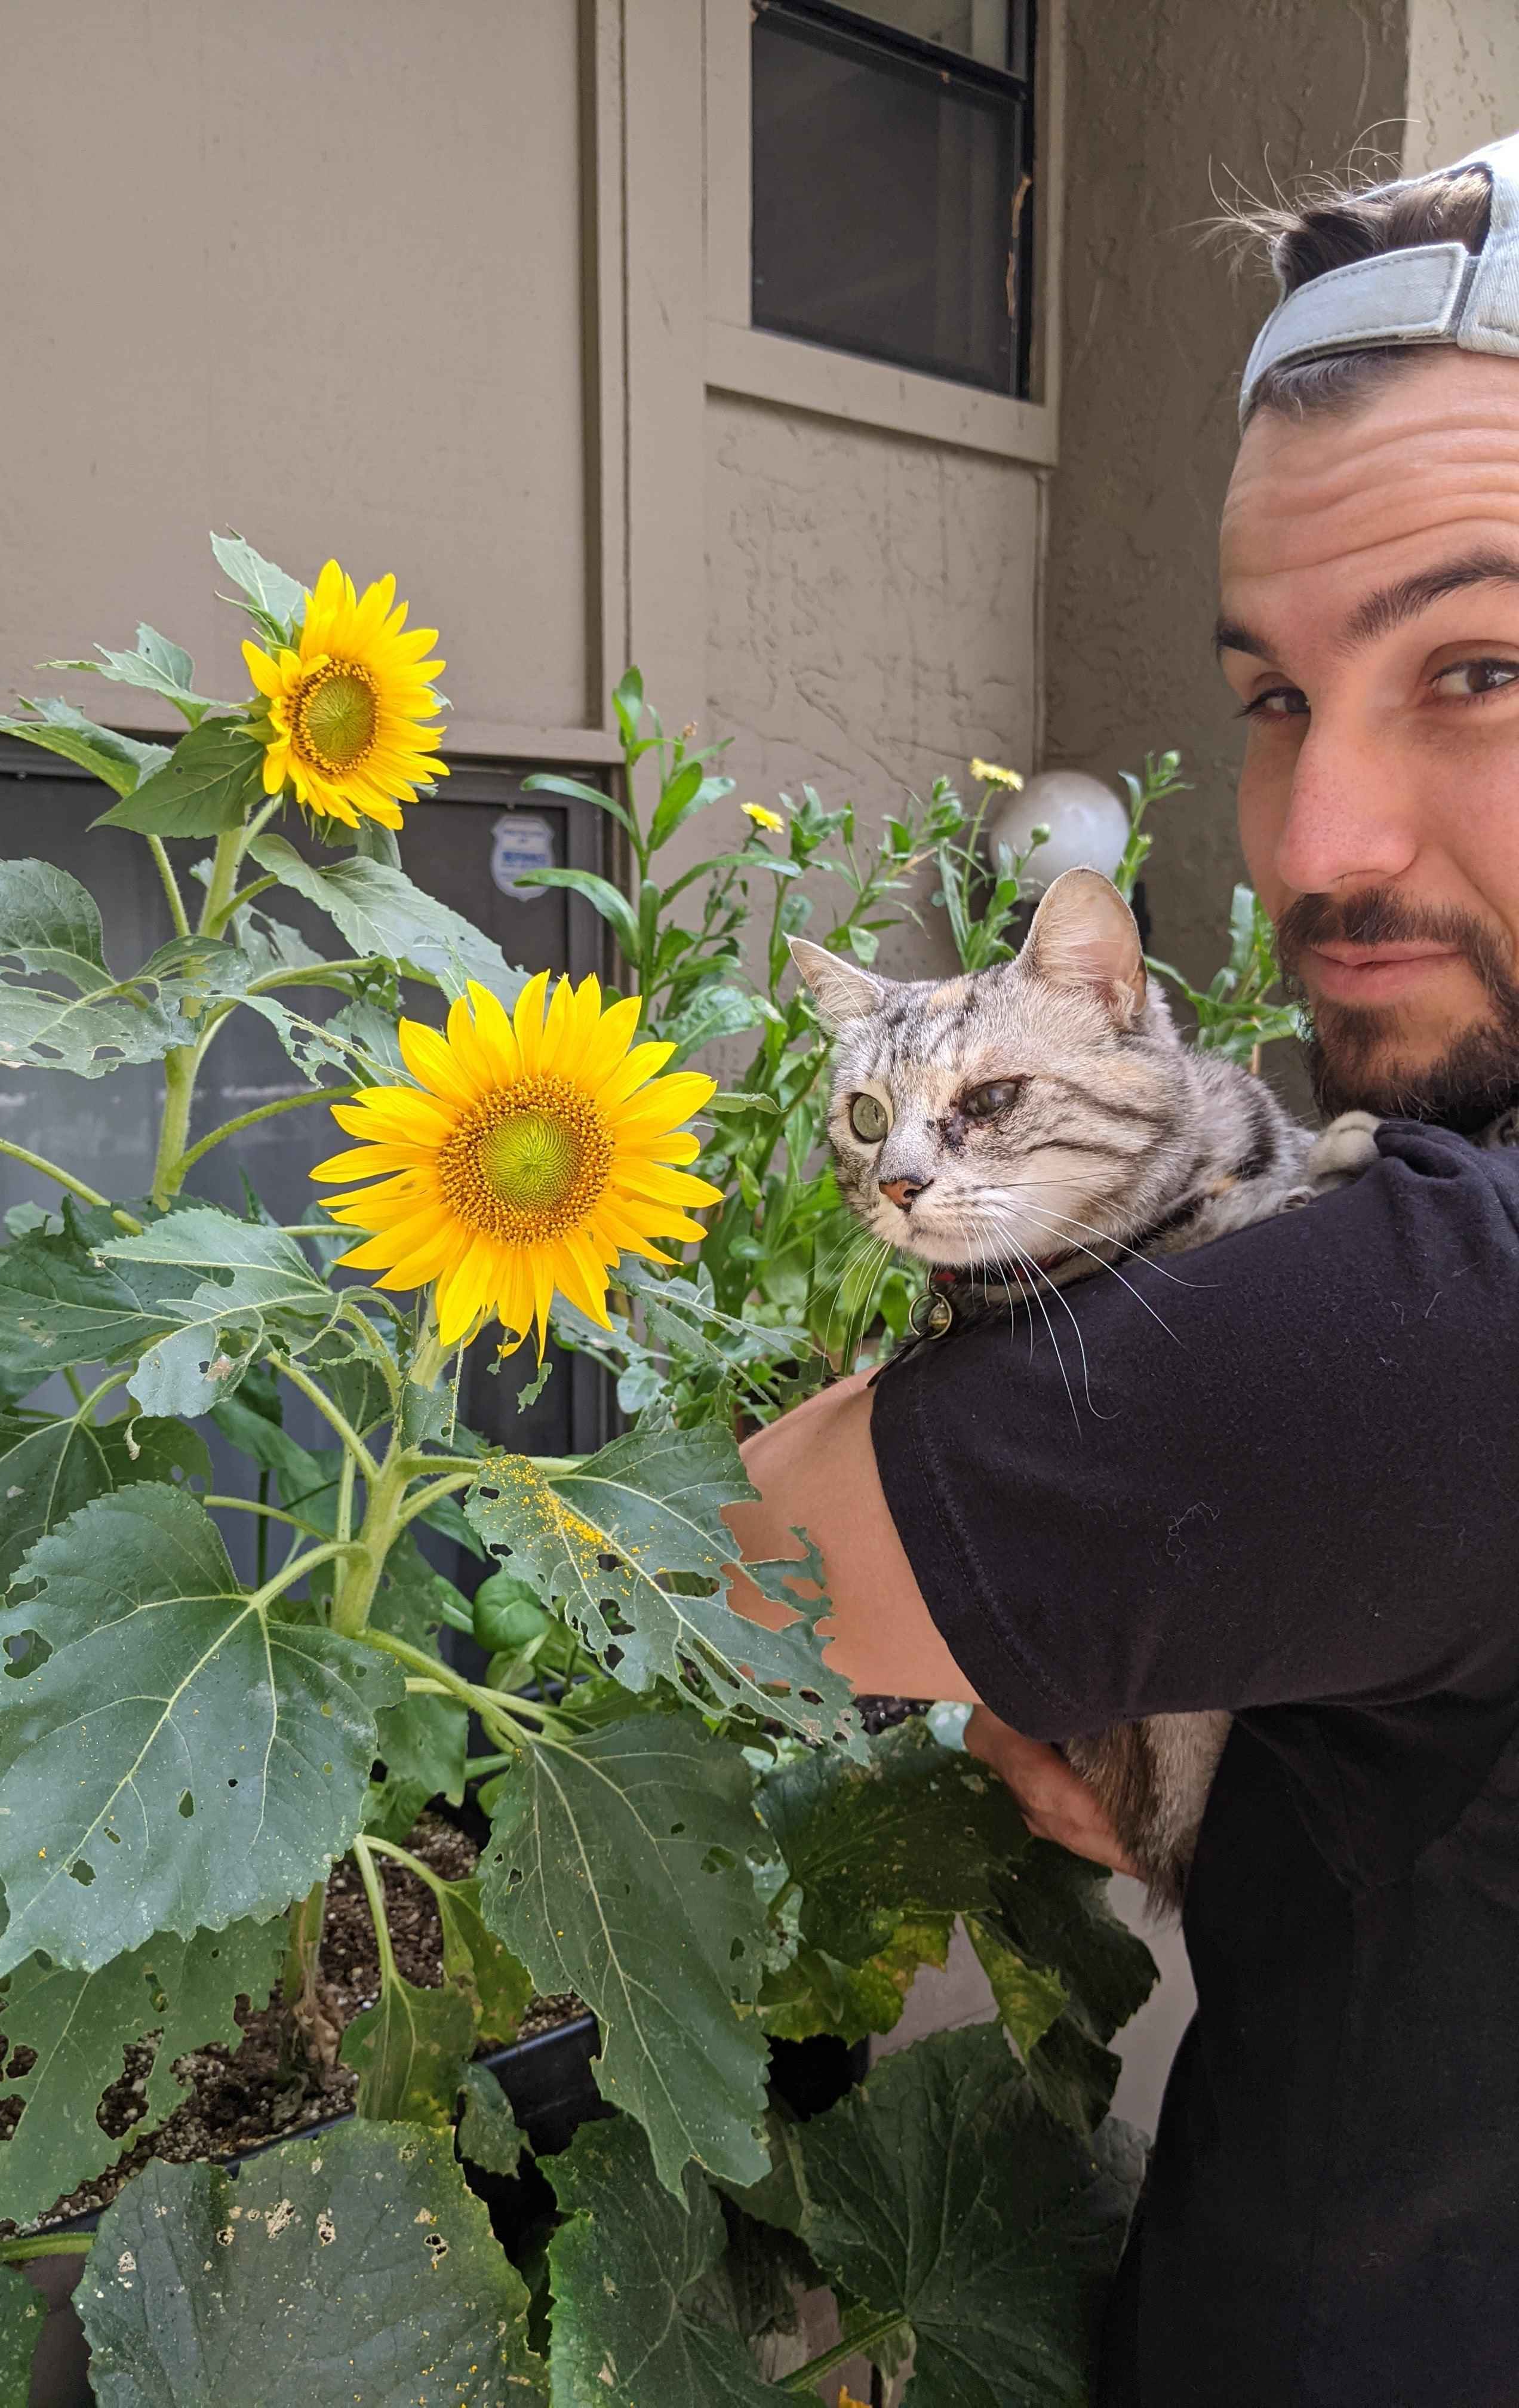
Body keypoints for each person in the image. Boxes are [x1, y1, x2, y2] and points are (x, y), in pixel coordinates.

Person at [722, 132, 1519, 2408]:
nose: (1313, 844)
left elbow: (748, 1555)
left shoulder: (1440, 1319)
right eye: (1270, 696)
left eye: (1478, 666)